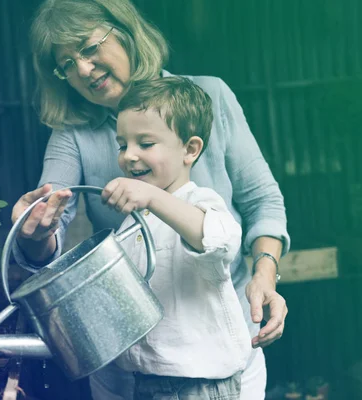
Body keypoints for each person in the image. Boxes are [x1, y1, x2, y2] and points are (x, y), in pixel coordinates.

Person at [11, 0, 290, 398]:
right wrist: (35, 231)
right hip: (127, 362)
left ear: (124, 30)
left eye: (89, 48)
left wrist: (266, 275)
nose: (84, 70)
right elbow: (50, 235)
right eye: (67, 63)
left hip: (223, 356)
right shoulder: (72, 133)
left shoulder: (208, 96)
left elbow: (261, 202)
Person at [101, 75, 249, 400]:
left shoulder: (199, 202)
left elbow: (218, 239)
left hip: (197, 385)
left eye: (146, 143)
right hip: (148, 381)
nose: (129, 155)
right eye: (122, 145)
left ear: (190, 149)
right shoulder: (133, 223)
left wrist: (150, 197)